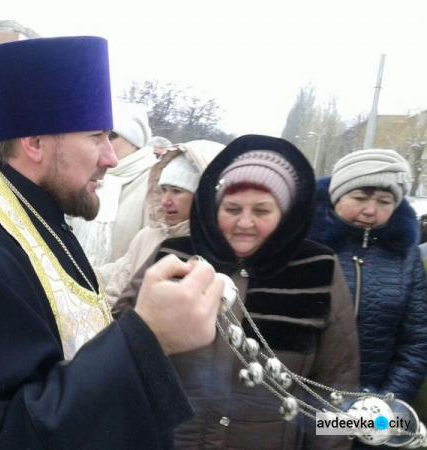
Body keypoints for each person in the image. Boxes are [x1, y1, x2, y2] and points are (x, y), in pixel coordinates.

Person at [0, 36, 224, 449]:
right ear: (35, 143)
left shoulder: (37, 219)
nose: (111, 158)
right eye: (96, 136)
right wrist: (146, 339)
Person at [113, 135, 359, 449]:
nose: (245, 222)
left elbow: (337, 381)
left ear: (284, 214)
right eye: (232, 208)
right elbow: (120, 343)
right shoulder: (175, 257)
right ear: (214, 209)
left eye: (261, 211)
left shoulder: (317, 268)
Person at [307, 149, 427, 406]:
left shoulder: (406, 255)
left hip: (378, 407)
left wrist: (387, 403)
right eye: (360, 198)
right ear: (336, 196)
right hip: (304, 403)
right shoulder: (303, 246)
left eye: (384, 202)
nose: (370, 210)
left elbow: (416, 340)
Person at [98, 140, 224, 305]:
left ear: (203, 197)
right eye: (163, 190)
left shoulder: (219, 249)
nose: (165, 201)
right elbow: (114, 295)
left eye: (177, 191)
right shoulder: (146, 237)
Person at [68, 101, 156, 266]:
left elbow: (146, 258)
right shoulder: (84, 173)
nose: (104, 145)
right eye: (96, 136)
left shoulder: (154, 184)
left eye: (112, 136)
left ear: (134, 142)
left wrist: (94, 280)